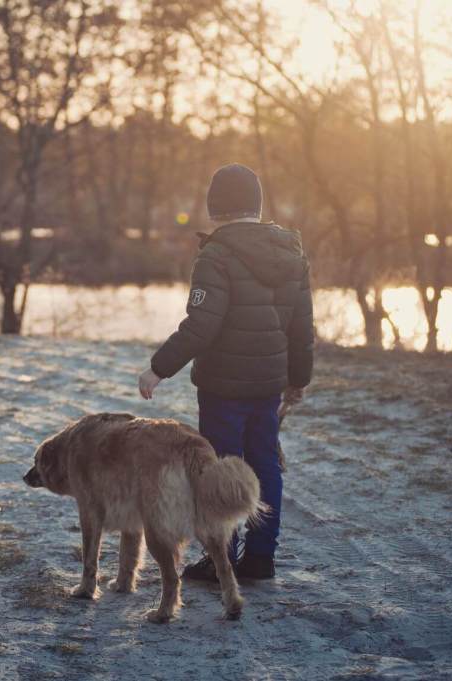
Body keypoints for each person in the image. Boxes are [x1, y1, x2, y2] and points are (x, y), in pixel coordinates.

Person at [137, 163, 314, 581]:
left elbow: (201, 325)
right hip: (269, 383)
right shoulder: (291, 253)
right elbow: (302, 327)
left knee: (219, 468)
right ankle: (260, 558)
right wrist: (298, 379)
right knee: (265, 463)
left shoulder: (216, 254)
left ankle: (221, 561)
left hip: (223, 387)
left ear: (216, 207)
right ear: (256, 204)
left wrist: (158, 369)